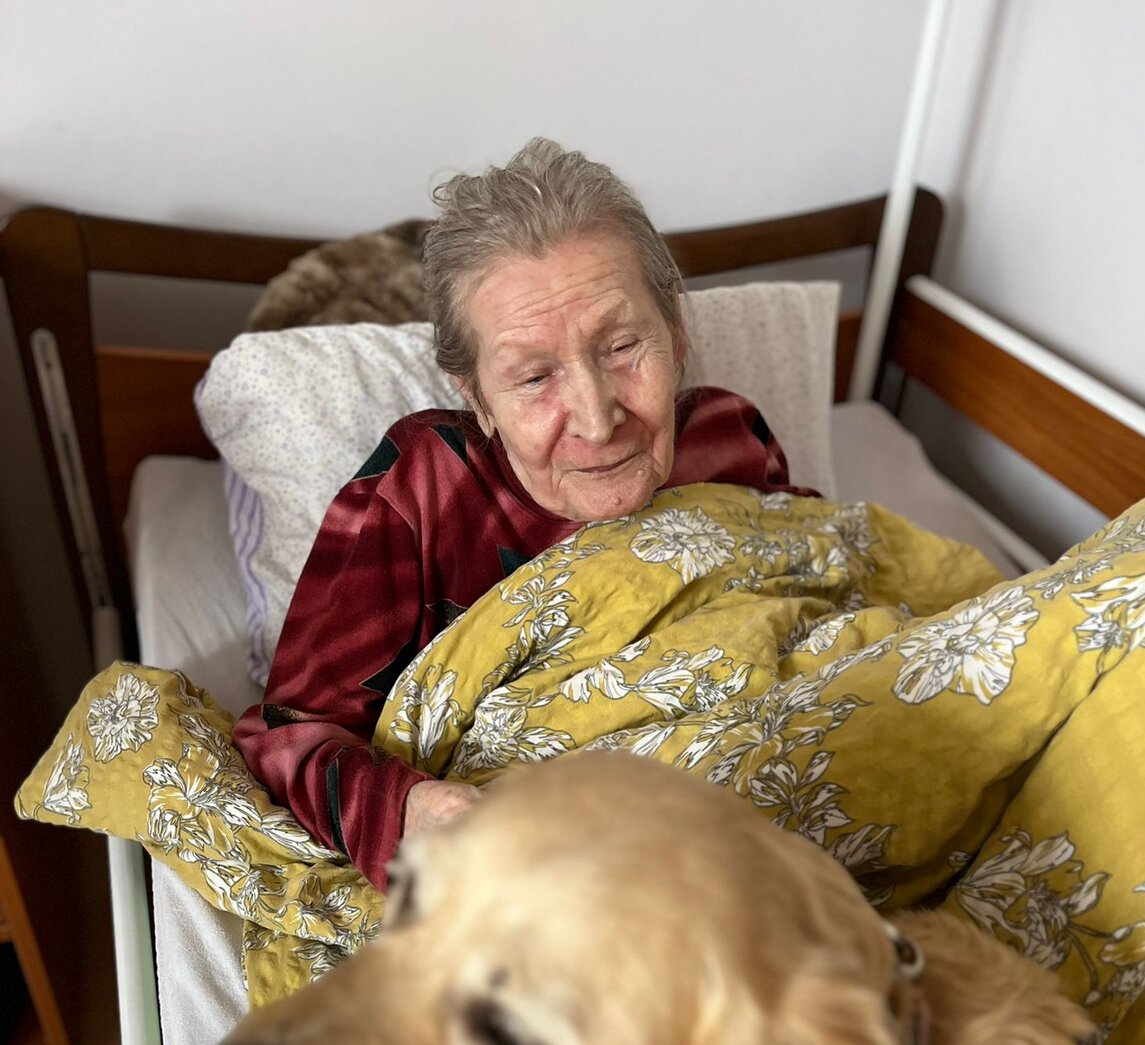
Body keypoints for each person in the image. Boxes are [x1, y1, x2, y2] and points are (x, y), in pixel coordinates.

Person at [233, 138, 816, 889]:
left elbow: (831, 599)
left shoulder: (731, 440)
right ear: (476, 395)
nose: (597, 420)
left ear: (676, 332)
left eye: (622, 347)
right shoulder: (421, 492)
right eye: (535, 378)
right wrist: (413, 811)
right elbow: (286, 736)